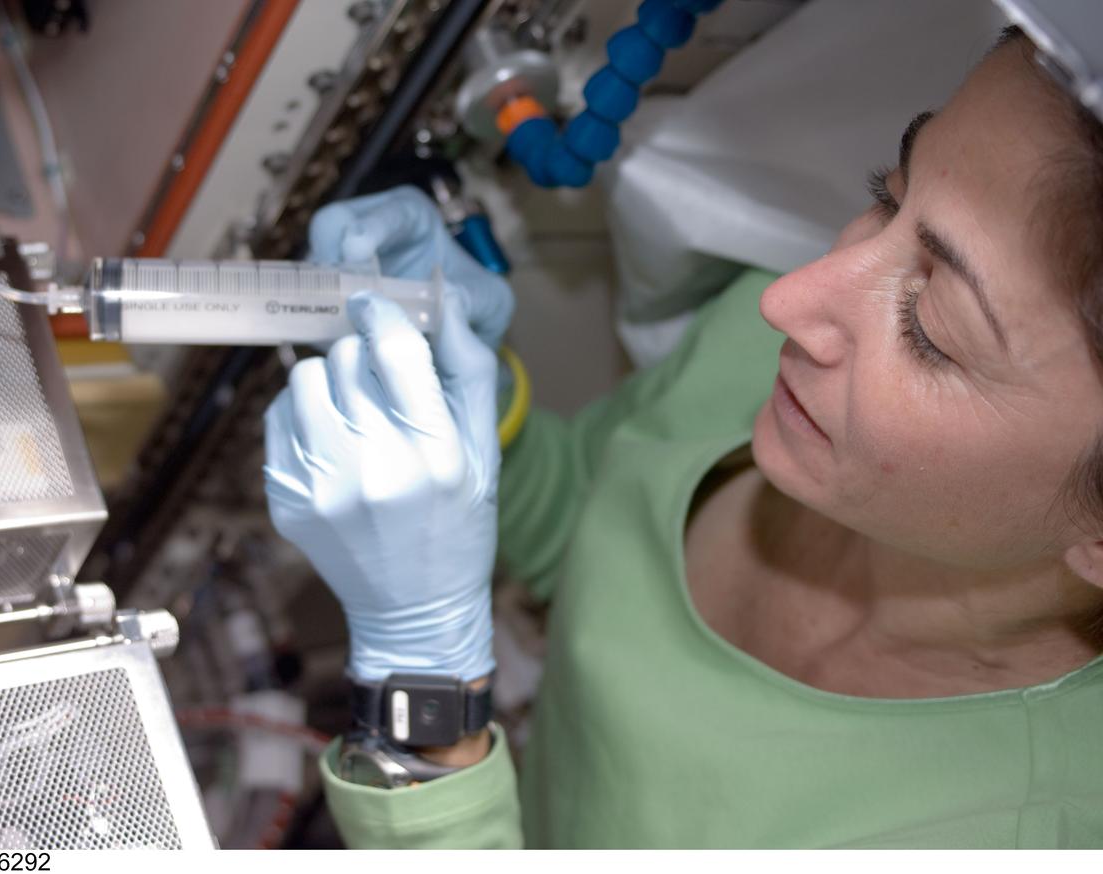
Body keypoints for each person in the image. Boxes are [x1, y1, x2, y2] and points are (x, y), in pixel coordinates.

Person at [262, 26, 1103, 848]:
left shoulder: (999, 838)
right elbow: (586, 521)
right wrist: (467, 400)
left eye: (933, 327)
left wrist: (423, 693)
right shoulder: (764, 359)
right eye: (887, 195)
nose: (786, 299)